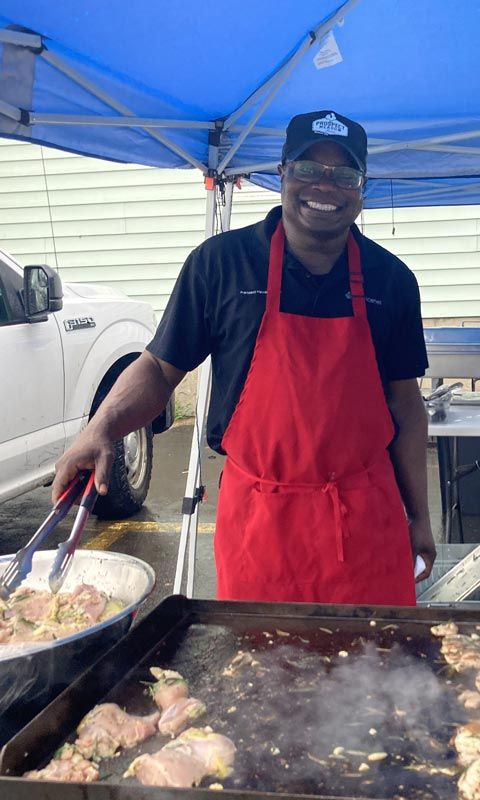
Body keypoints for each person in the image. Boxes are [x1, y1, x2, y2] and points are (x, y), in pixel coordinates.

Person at [52, 109, 437, 605]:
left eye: (344, 174)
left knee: (376, 671)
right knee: (255, 674)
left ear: (361, 187)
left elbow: (406, 405)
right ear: (281, 174)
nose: (326, 186)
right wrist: (100, 429)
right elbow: (157, 366)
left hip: (363, 519)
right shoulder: (219, 265)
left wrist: (420, 516)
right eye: (306, 169)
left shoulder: (393, 281)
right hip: (261, 525)